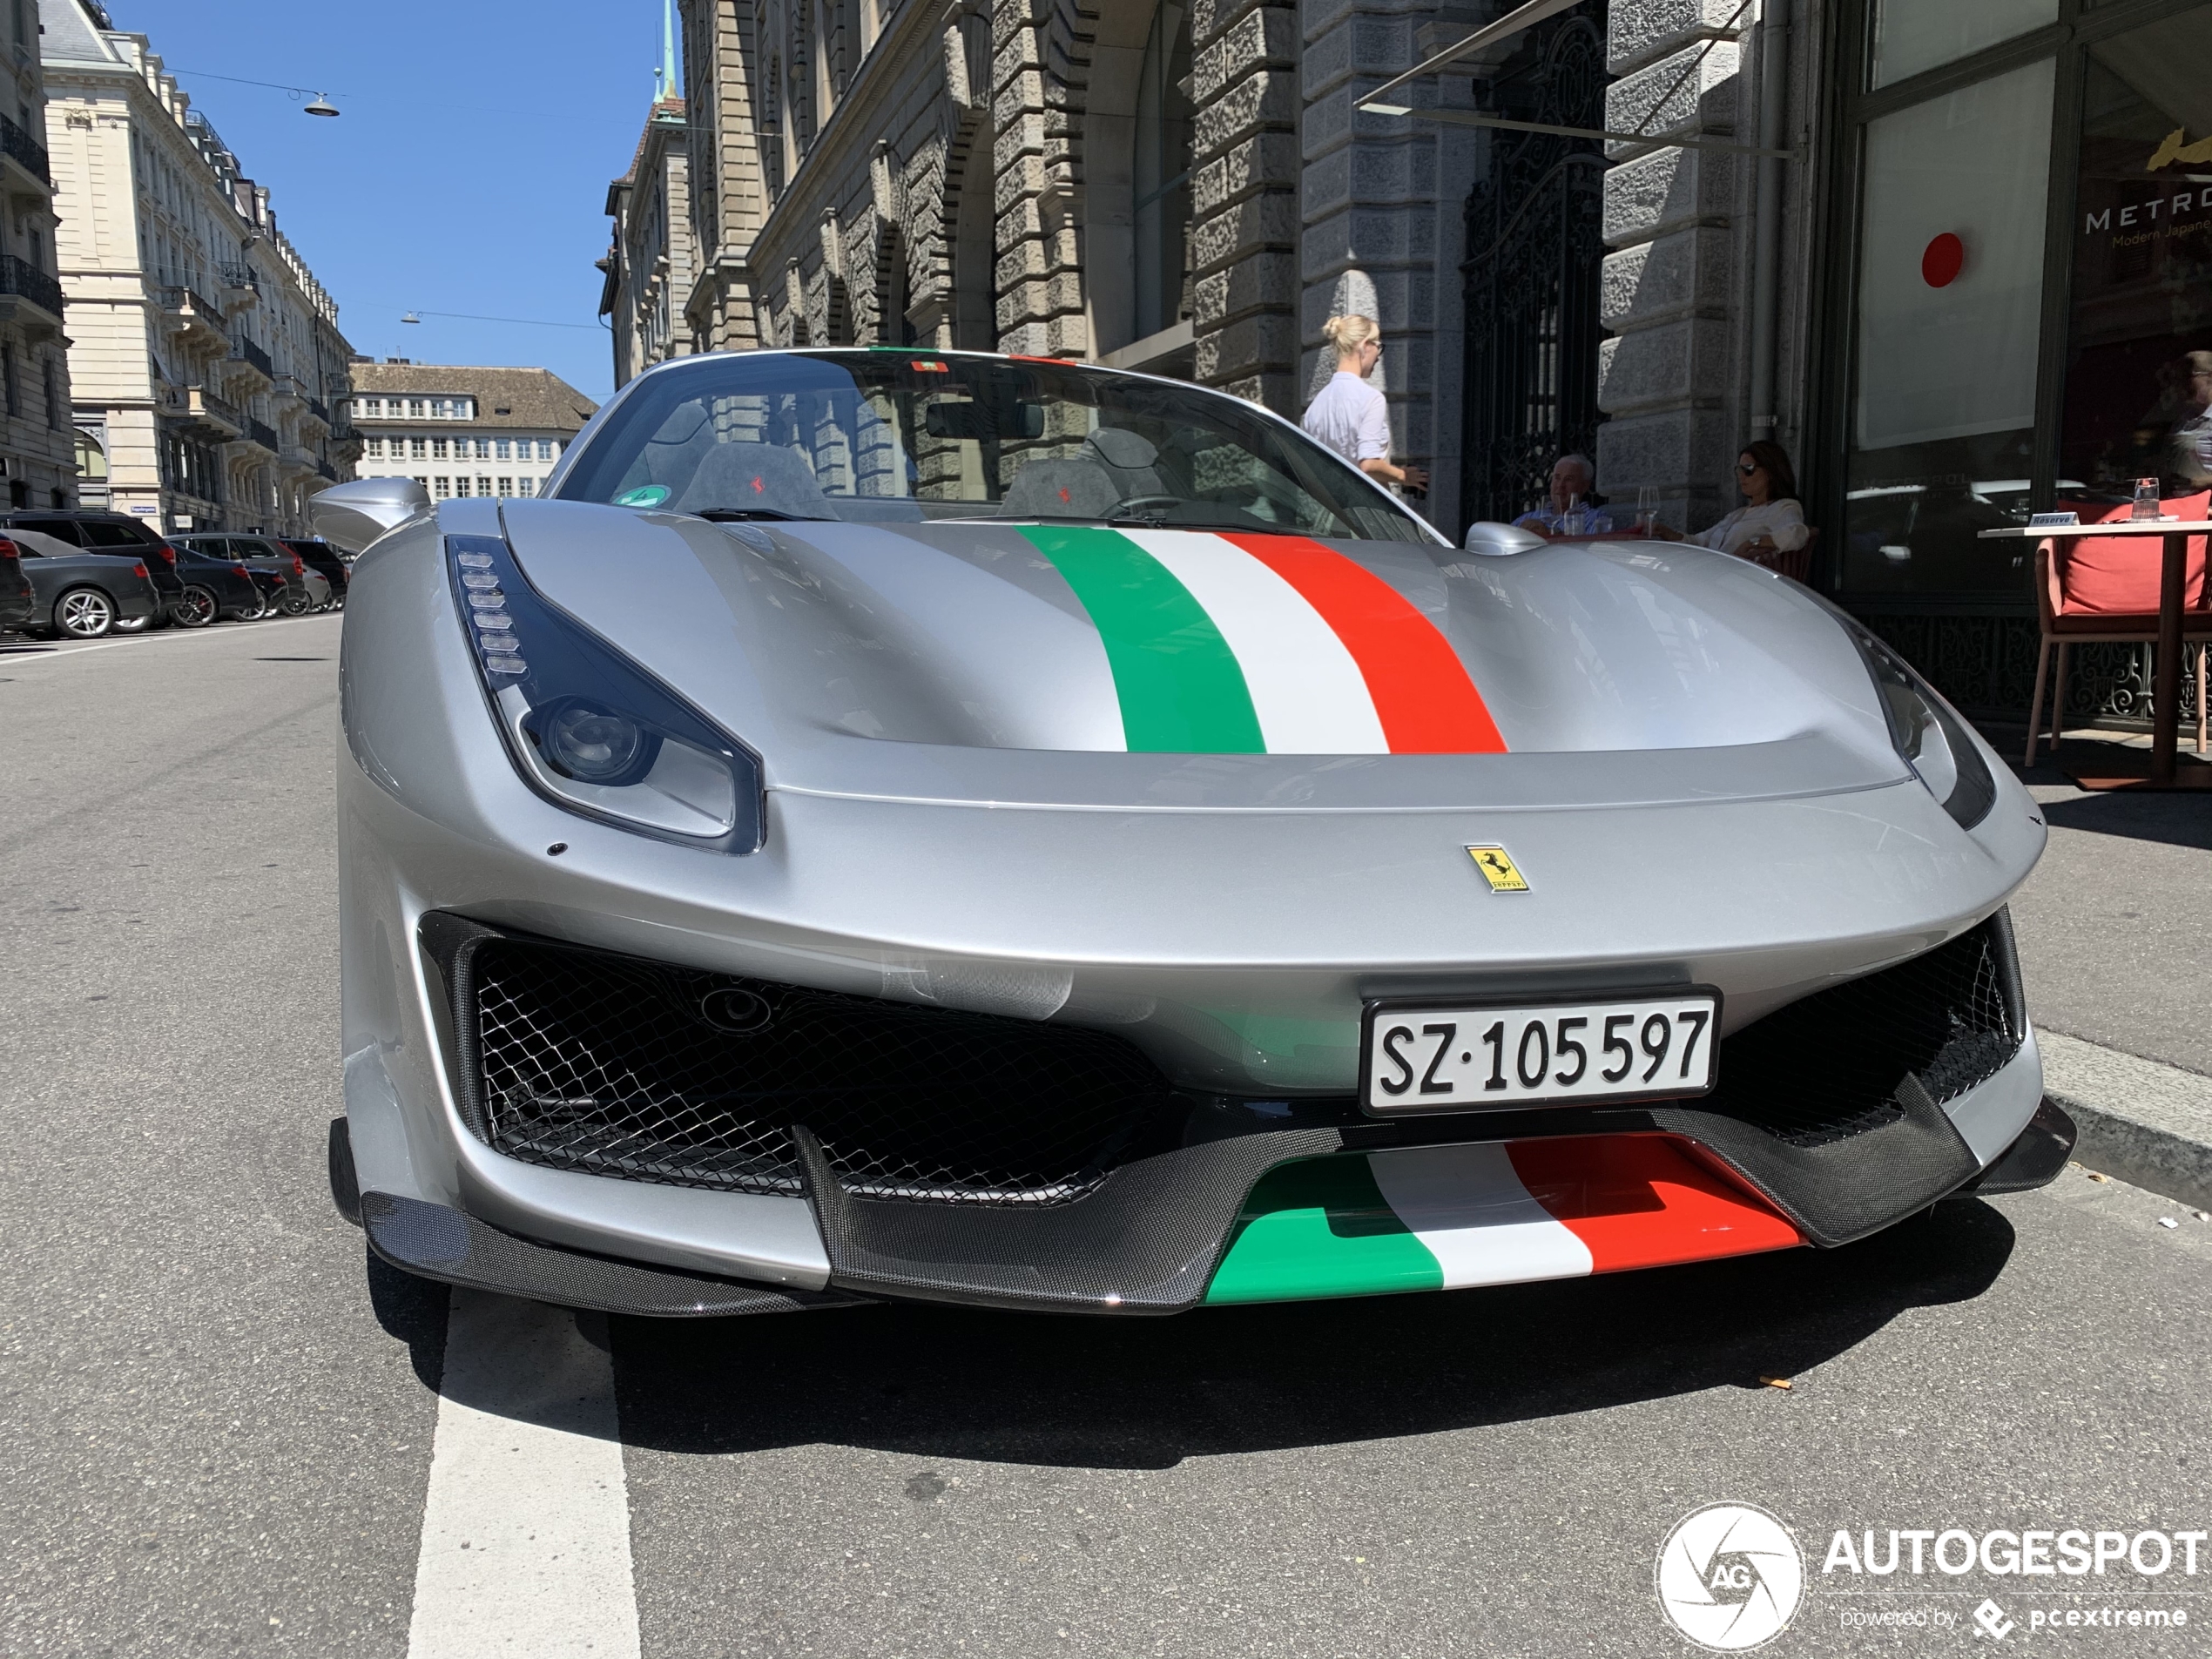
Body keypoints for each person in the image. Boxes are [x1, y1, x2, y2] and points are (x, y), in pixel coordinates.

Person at [1301, 314, 1429, 495]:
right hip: (1364, 508)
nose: (1378, 356)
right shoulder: (1370, 398)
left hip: (1330, 509)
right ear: (1365, 345)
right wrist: (1402, 476)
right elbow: (1368, 464)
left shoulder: (1316, 406)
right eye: (1378, 346)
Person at [1658, 441, 1810, 557]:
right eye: (1739, 470)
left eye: (1748, 469)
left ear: (1771, 471)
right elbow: (1699, 541)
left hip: (1736, 584)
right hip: (1711, 575)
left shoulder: (1783, 508)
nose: (1741, 476)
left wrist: (1752, 543)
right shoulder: (1738, 514)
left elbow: (1798, 533)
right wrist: (1664, 531)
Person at [1513, 454, 1615, 535]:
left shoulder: (1596, 519)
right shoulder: (1528, 518)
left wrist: (1551, 534)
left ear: (1584, 486)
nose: (1560, 485)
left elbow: (1595, 553)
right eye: (1557, 478)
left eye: (1569, 479)